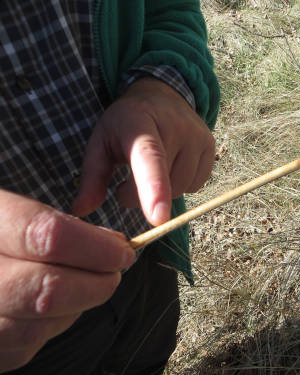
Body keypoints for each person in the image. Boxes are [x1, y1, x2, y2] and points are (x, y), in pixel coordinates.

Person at [0, 1, 219, 374]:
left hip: (148, 250)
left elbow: (169, 8)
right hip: (23, 342)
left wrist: (165, 86)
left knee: (149, 356)